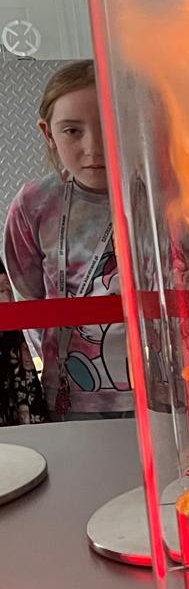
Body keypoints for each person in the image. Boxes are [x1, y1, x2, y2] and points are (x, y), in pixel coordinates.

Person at [3, 58, 132, 419]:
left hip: (160, 390)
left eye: (110, 125)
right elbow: (29, 292)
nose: (95, 147)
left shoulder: (161, 199)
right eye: (73, 130)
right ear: (48, 134)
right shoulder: (34, 204)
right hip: (70, 395)